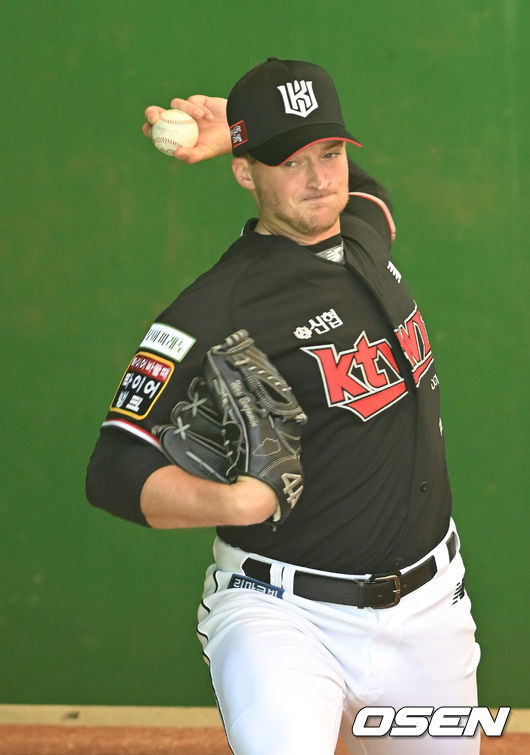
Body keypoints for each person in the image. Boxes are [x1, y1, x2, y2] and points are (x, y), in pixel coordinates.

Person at [86, 58, 480, 754]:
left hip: (430, 615)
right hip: (283, 617)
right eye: (290, 161)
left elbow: (370, 192)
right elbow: (113, 469)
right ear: (245, 174)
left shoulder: (362, 235)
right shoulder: (216, 306)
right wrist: (233, 503)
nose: (320, 179)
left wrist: (243, 129)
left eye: (329, 152)